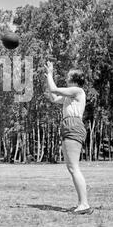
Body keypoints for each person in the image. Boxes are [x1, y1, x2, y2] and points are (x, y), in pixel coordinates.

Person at [44, 61, 93, 215]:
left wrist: (51, 74)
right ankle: (81, 203)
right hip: (68, 126)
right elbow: (53, 97)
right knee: (72, 168)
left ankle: (84, 204)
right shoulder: (70, 96)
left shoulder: (77, 90)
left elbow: (54, 89)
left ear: (75, 79)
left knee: (74, 168)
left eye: (68, 76)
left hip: (73, 126)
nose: (66, 77)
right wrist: (48, 77)